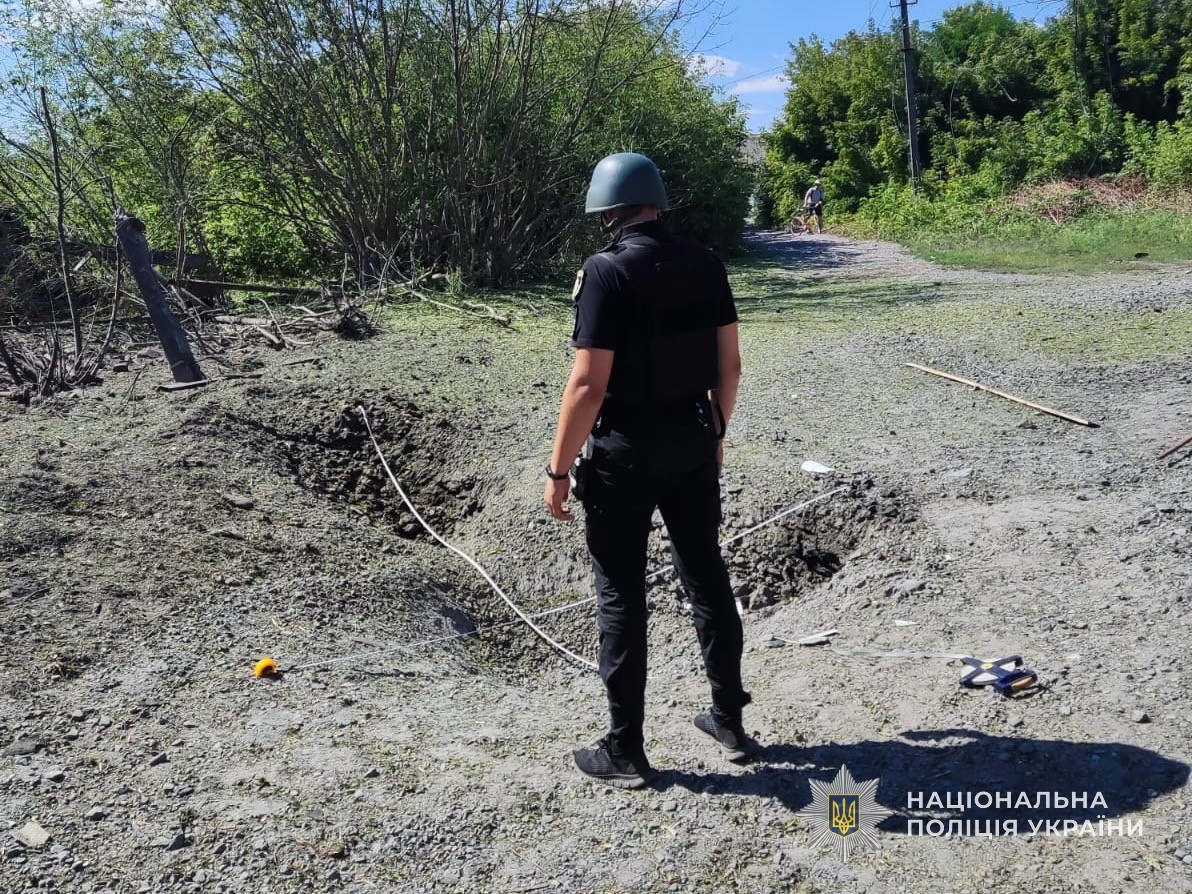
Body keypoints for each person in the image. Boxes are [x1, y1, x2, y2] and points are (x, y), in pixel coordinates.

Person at [543, 151, 751, 789]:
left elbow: (587, 386)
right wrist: (716, 434)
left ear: (606, 210)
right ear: (658, 203)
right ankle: (729, 720)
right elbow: (730, 366)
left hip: (625, 450)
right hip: (692, 438)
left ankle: (625, 749)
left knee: (620, 594)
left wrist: (557, 471)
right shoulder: (706, 262)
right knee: (706, 574)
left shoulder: (605, 271)